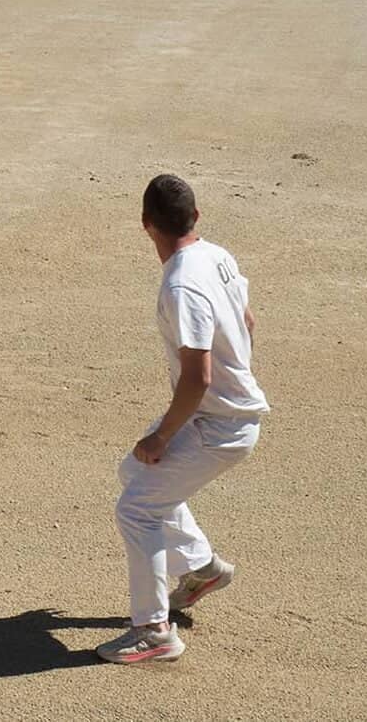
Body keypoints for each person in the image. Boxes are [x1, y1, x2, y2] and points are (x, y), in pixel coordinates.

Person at [97, 174, 268, 665]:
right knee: (135, 474)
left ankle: (154, 631)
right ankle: (202, 568)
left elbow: (198, 378)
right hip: (220, 414)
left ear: (147, 225)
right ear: (195, 218)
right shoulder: (216, 255)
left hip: (216, 423)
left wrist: (163, 434)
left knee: (137, 509)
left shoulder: (180, 285)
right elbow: (248, 322)